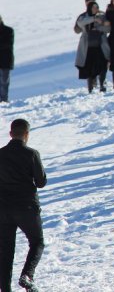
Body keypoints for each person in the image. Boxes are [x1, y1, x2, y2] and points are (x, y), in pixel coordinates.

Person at [0, 119, 46, 292]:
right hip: (27, 207)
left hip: (3, 208)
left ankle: (5, 289)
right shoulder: (32, 154)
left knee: (5, 251)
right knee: (37, 242)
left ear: (11, 134)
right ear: (26, 135)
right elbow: (41, 182)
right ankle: (27, 275)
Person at [75, 1, 110, 93]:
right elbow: (80, 23)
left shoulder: (102, 15)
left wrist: (98, 28)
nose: (95, 9)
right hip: (88, 47)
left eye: (96, 7)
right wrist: (94, 19)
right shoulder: (84, 16)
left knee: (103, 65)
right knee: (89, 67)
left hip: (100, 45)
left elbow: (108, 28)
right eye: (93, 7)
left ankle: (102, 84)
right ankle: (90, 87)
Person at [0, 16, 14, 103]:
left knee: (4, 82)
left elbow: (8, 44)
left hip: (5, 60)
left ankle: (4, 100)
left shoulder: (8, 30)